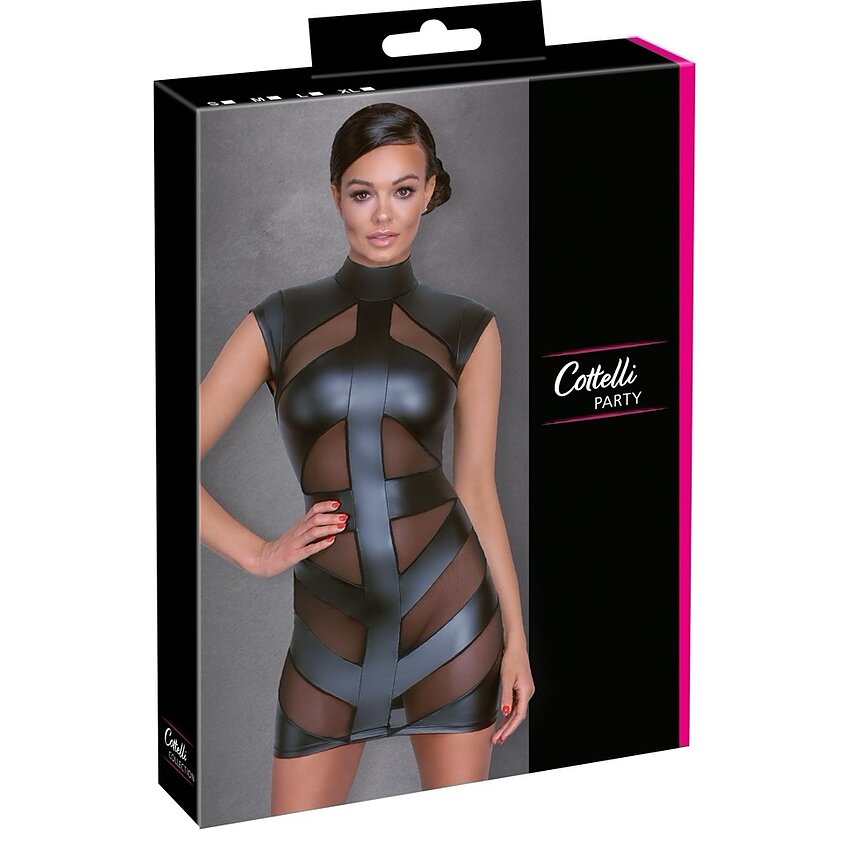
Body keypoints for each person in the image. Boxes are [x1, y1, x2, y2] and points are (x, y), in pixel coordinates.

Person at [200, 101, 534, 816]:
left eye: (403, 190)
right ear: (335, 196)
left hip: (453, 619)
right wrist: (257, 553)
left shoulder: (470, 328)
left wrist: (517, 640)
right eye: (362, 193)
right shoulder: (278, 321)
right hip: (332, 627)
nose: (384, 214)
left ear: (428, 191)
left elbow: (477, 489)